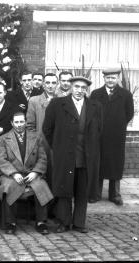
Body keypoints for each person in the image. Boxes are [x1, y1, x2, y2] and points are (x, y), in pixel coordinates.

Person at [42, 76, 102, 233]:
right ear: (70, 87)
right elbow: (47, 129)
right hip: (65, 156)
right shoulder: (57, 104)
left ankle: (79, 223)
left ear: (87, 90)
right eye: (76, 87)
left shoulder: (95, 106)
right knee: (64, 189)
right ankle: (63, 222)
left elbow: (99, 130)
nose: (79, 91)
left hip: (86, 156)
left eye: (83, 88)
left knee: (82, 190)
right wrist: (58, 147)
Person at [0, 112, 53, 235]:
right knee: (9, 186)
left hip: (31, 173)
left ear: (26, 122)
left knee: (41, 185)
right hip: (10, 175)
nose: (19, 125)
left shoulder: (36, 137)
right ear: (12, 123)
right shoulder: (2, 139)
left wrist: (35, 172)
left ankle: (41, 222)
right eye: (16, 122)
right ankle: (10, 223)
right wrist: (14, 173)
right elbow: (2, 160)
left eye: (22, 122)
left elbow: (42, 158)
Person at [90, 68, 134, 205]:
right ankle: (95, 194)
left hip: (116, 136)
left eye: (113, 78)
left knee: (115, 164)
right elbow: (91, 113)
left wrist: (118, 125)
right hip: (99, 135)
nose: (110, 80)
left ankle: (114, 195)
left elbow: (129, 114)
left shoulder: (126, 95)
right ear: (104, 78)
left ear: (118, 79)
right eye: (108, 77)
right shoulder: (96, 94)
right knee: (98, 163)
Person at [26, 72, 58, 217]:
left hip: (58, 146)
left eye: (53, 83)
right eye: (48, 83)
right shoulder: (34, 100)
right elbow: (30, 125)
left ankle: (54, 211)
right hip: (41, 145)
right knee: (40, 177)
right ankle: (40, 213)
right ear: (43, 84)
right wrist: (36, 143)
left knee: (56, 177)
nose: (50, 85)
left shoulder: (63, 100)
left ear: (56, 84)